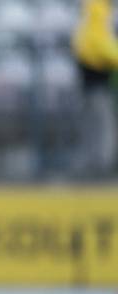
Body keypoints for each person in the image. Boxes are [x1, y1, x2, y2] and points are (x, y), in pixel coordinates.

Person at [72, 0, 118, 176]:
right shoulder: (98, 11)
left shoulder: (91, 11)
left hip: (90, 81)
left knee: (94, 125)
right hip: (96, 81)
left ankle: (95, 164)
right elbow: (99, 46)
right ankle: (100, 166)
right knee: (102, 125)